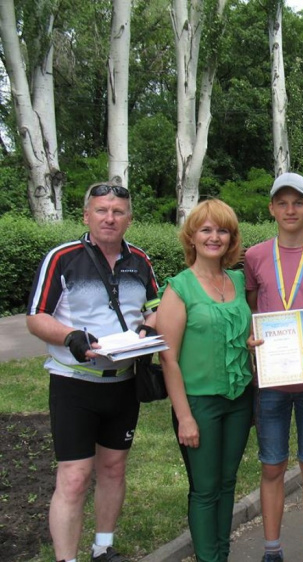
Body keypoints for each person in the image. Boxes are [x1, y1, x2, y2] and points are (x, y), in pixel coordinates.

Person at [26, 182, 160, 562]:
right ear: (86, 215)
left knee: (114, 468)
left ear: (129, 219)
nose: (109, 218)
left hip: (123, 383)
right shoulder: (62, 257)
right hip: (75, 384)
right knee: (74, 476)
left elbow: (154, 306)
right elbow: (36, 318)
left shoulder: (140, 260)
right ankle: (66, 559)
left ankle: (103, 548)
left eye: (118, 212)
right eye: (101, 210)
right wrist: (70, 336)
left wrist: (150, 326)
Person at [244, 172, 303, 562]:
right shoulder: (253, 256)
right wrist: (253, 340)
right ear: (271, 208)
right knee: (272, 467)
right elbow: (252, 309)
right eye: (282, 203)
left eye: (298, 202)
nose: (290, 209)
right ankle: (272, 550)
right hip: (271, 382)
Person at [157, 200, 253, 562]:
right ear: (192, 236)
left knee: (228, 484)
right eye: (206, 229)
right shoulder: (179, 288)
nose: (215, 237)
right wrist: (184, 417)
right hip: (199, 404)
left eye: (223, 230)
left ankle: (221, 555)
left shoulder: (239, 281)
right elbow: (169, 359)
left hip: (239, 401)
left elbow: (242, 334)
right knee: (205, 489)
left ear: (231, 238)